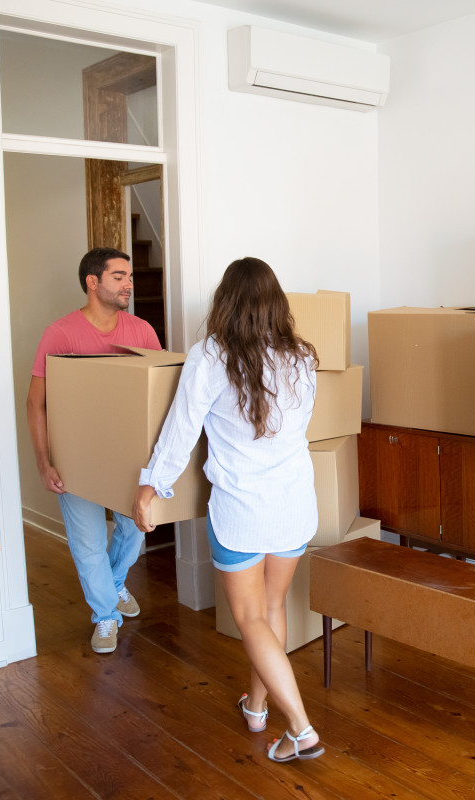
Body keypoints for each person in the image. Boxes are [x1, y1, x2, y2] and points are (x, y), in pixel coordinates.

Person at [132, 257, 324, 763]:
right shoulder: (301, 358)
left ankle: (301, 728)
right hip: (294, 505)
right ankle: (257, 710)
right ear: (275, 304)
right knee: (272, 610)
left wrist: (151, 486)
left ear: (226, 303)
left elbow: (180, 429)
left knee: (249, 617)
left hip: (241, 510)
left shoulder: (211, 356)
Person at [26, 246, 161, 655]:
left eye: (130, 276)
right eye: (118, 276)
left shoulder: (142, 331)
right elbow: (36, 402)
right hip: (75, 456)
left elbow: (157, 396)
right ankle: (105, 616)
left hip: (129, 458)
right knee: (86, 540)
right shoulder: (61, 333)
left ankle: (115, 584)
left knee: (134, 526)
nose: (129, 284)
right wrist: (44, 461)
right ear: (92, 281)